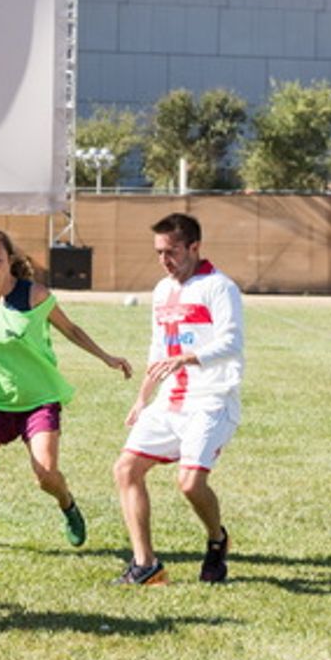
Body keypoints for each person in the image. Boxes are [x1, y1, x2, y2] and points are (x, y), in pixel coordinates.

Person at [0, 228, 131, 550]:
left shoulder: (36, 296)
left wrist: (106, 357)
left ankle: (67, 504)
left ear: (10, 260)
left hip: (39, 400)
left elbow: (71, 329)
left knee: (45, 475)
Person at [112, 212, 242, 585]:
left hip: (211, 401)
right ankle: (146, 565)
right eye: (158, 252)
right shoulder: (161, 291)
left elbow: (231, 342)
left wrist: (188, 357)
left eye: (171, 251)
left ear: (194, 248)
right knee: (125, 470)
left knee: (189, 484)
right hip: (169, 402)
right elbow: (157, 350)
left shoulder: (220, 287)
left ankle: (217, 539)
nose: (164, 260)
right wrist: (141, 399)